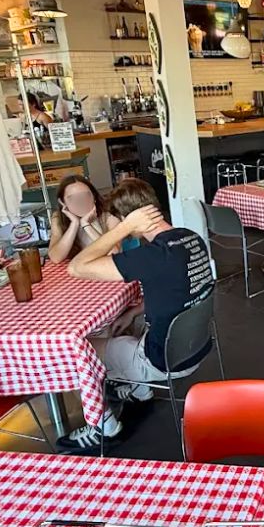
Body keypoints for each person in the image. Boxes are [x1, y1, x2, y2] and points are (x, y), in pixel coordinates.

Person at [62, 179, 215, 452]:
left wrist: (123, 229)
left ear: (130, 219)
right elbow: (180, 290)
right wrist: (133, 310)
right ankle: (139, 390)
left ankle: (103, 425)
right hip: (196, 346)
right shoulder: (190, 237)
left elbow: (77, 267)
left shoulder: (152, 255)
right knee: (126, 322)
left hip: (164, 360)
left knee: (75, 353)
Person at [48, 175, 120, 264]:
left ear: (94, 197)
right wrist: (74, 224)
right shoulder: (58, 219)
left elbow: (114, 254)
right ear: (62, 202)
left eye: (86, 196)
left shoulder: (109, 216)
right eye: (72, 198)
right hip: (78, 272)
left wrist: (86, 225)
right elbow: (56, 258)